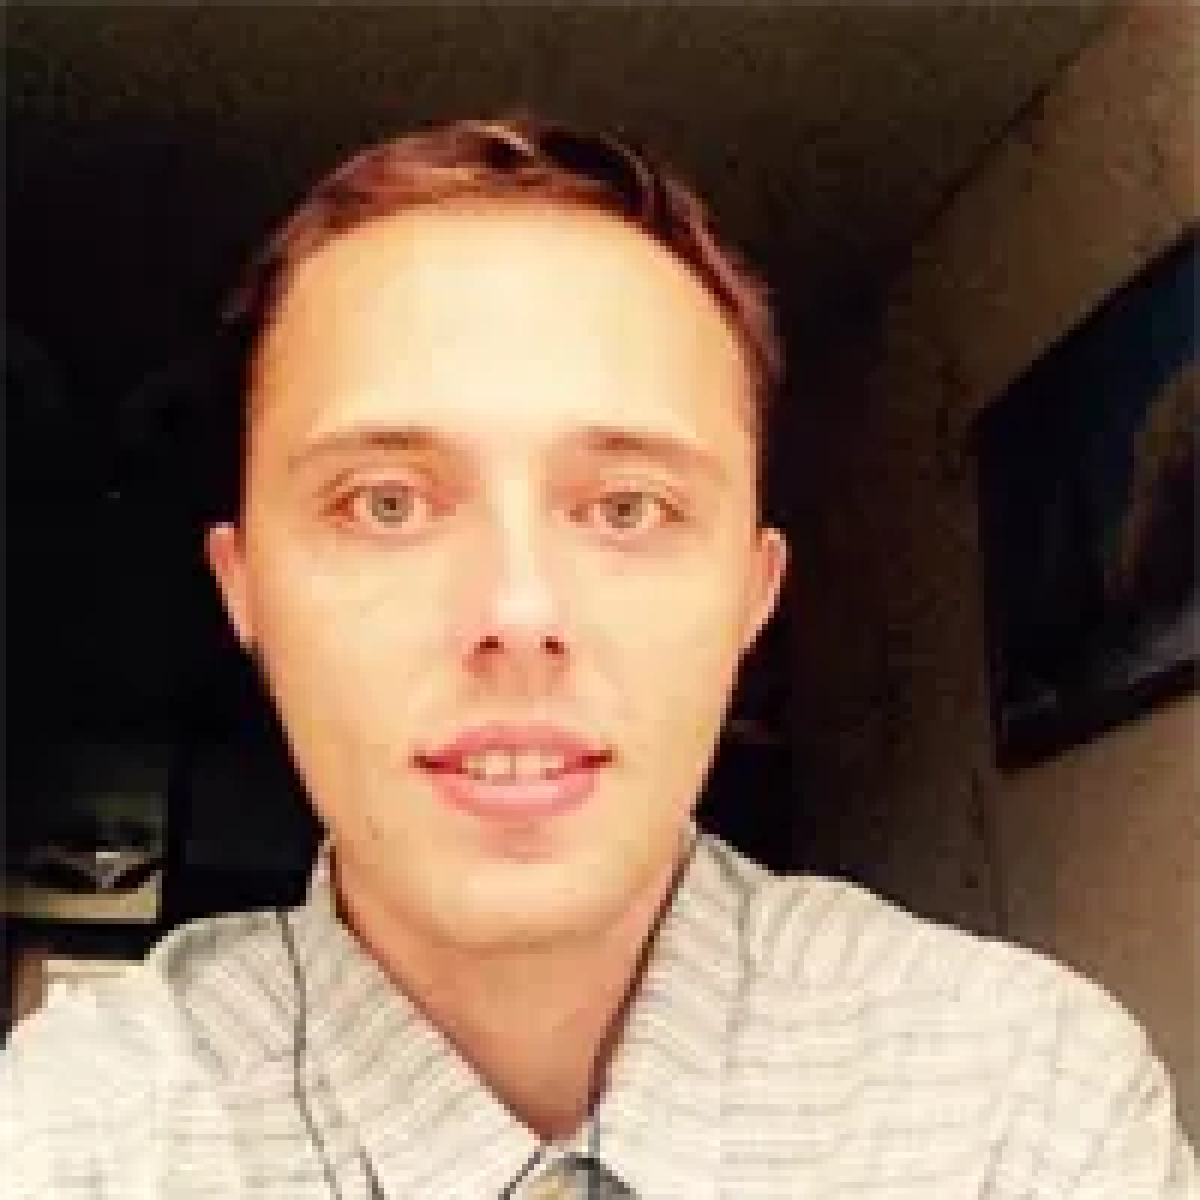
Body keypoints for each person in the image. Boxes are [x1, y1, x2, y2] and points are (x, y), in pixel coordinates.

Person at [3, 113, 1195, 1199]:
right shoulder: (71, 1138)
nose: (518, 612)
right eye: (386, 504)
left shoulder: (1022, 1106)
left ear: (754, 597)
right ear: (245, 589)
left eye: (627, 508)